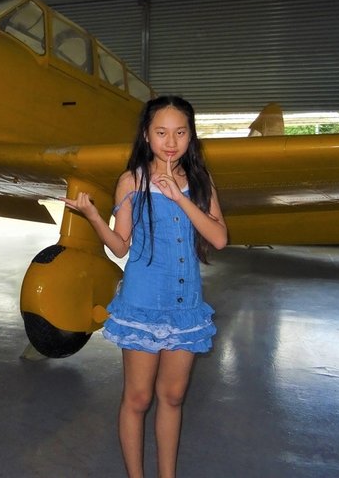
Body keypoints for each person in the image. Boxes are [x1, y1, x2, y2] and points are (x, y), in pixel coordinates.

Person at [62, 95, 227, 478]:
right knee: (137, 398)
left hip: (186, 305)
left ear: (191, 136)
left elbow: (218, 238)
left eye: (180, 132)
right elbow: (120, 246)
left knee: (172, 397)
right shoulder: (130, 180)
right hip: (142, 303)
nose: (171, 142)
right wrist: (91, 215)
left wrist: (178, 198)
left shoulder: (200, 181)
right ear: (146, 135)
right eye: (161, 132)